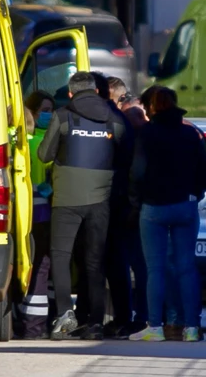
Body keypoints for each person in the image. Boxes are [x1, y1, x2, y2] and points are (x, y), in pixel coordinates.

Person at [38, 71, 129, 340]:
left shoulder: (63, 115)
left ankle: (66, 316)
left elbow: (44, 154)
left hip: (65, 198)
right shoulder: (115, 119)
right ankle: (95, 323)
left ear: (70, 93)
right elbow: (126, 159)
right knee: (95, 261)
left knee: (61, 256)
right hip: (102, 199)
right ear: (97, 91)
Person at [128, 88, 206, 342]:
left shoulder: (147, 134)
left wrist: (136, 202)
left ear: (151, 107)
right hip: (185, 205)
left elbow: (137, 173)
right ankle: (192, 327)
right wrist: (193, 193)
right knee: (186, 267)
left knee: (156, 269)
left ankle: (155, 326)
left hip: (153, 207)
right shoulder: (191, 134)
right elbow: (204, 171)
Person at [94, 74, 146, 338]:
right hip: (120, 199)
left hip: (116, 200)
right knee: (120, 262)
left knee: (118, 262)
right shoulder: (118, 120)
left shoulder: (113, 120)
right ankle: (124, 317)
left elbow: (130, 167)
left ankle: (125, 317)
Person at [16, 91, 57, 339]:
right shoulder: (30, 141)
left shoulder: (47, 139)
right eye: (44, 109)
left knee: (44, 269)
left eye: (51, 110)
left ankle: (36, 323)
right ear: (32, 111)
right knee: (39, 267)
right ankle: (36, 325)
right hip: (35, 213)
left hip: (44, 212)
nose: (48, 114)